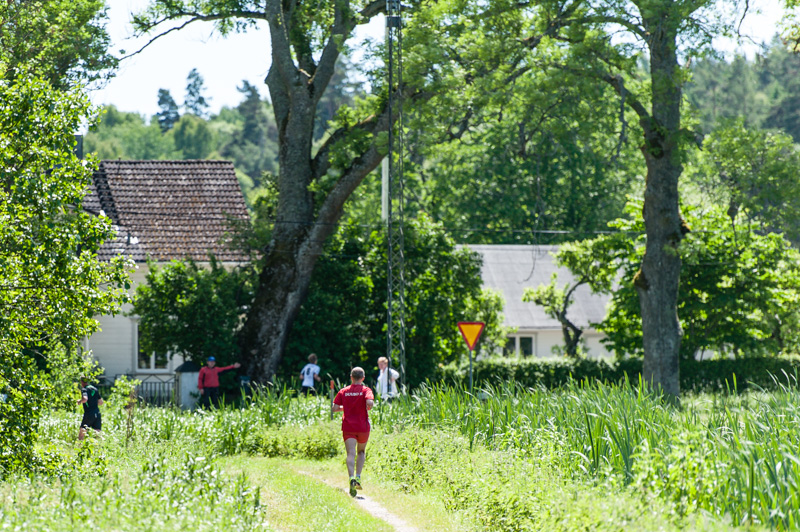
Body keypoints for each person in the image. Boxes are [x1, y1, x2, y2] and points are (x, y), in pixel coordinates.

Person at [332, 367, 374, 497]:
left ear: (351, 377)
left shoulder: (343, 391)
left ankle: (351, 478)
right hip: (362, 427)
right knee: (361, 452)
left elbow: (334, 408)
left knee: (350, 453)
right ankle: (358, 477)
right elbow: (370, 403)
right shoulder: (366, 390)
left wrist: (347, 408)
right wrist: (367, 406)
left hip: (348, 427)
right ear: (363, 378)